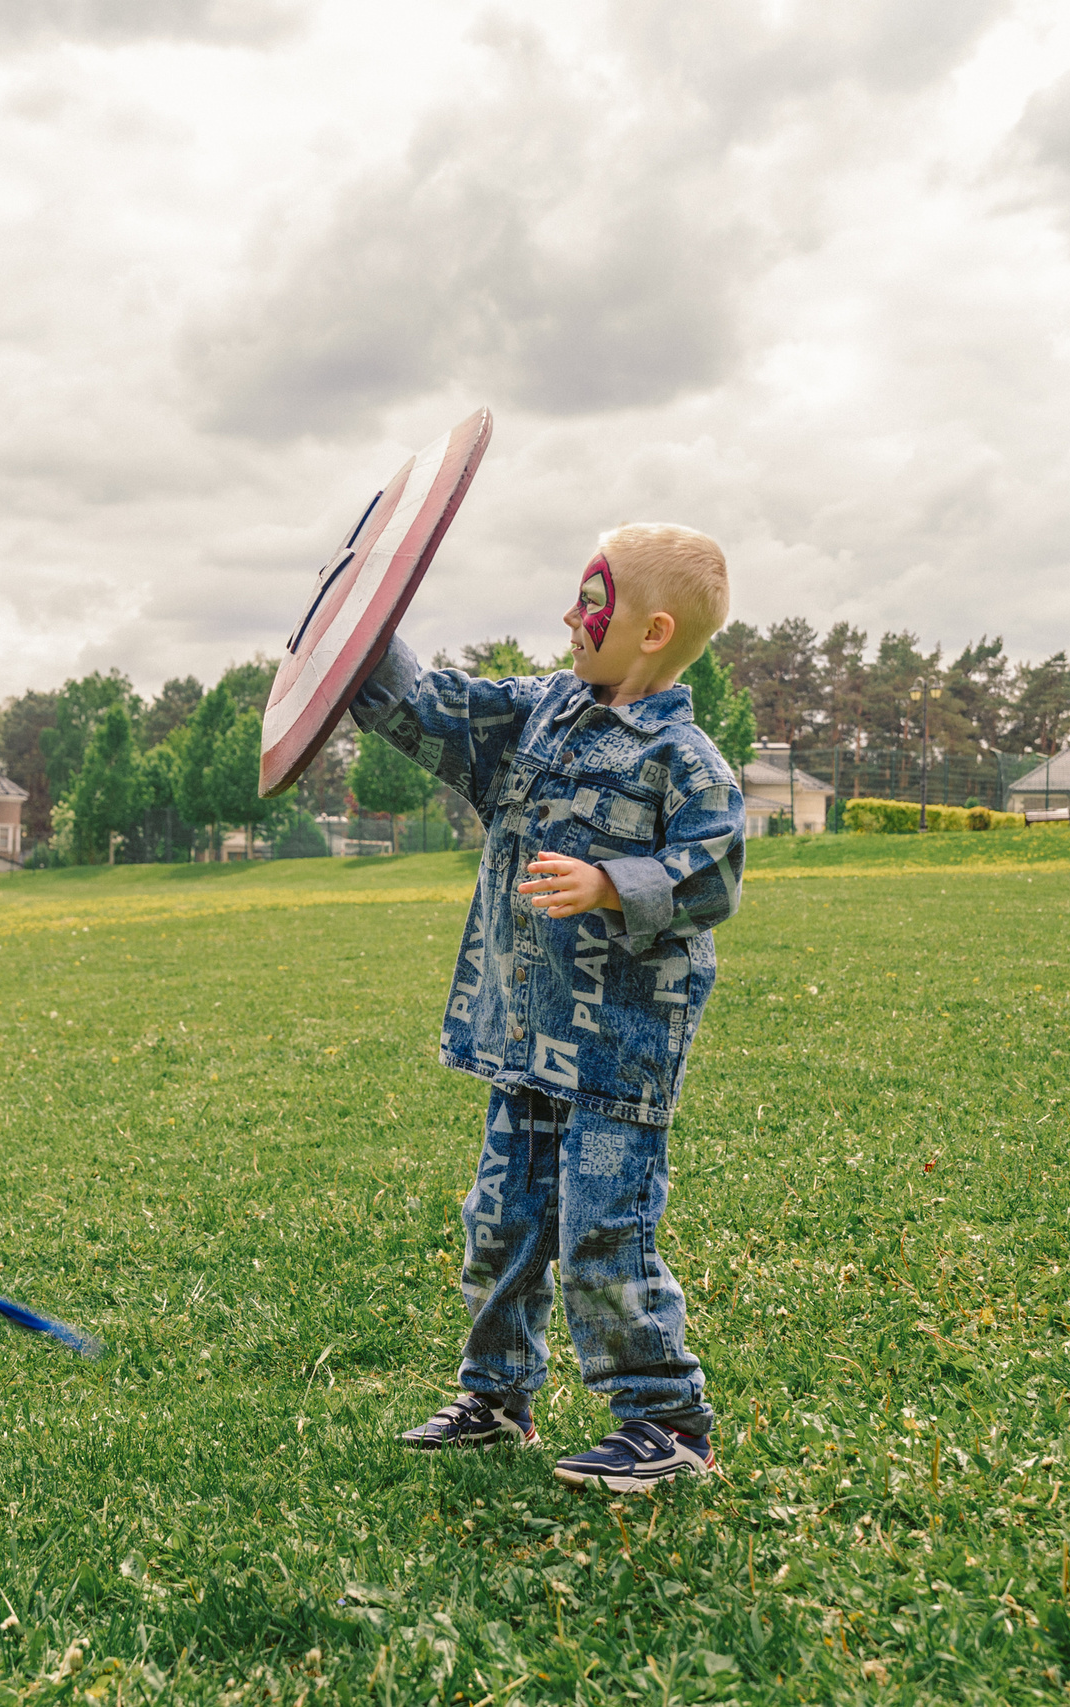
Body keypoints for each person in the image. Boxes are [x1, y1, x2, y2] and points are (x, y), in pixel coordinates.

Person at [354, 523, 744, 1493]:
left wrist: (614, 883)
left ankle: (666, 1424)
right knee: (501, 1218)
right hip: (525, 1037)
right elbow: (433, 706)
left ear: (651, 631)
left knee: (603, 1228)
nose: (572, 616)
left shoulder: (685, 762)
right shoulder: (537, 714)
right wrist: (358, 624)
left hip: (617, 1048)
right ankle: (495, 1399)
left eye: (592, 600)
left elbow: (711, 874)